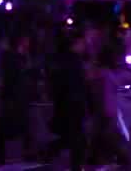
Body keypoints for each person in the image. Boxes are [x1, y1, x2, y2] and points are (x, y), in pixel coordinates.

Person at [42, 28, 87, 170]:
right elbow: (76, 84)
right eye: (81, 43)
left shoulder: (60, 59)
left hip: (64, 103)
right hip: (72, 104)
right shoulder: (73, 61)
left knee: (72, 137)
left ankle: (52, 150)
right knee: (77, 138)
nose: (83, 46)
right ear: (75, 43)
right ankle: (75, 165)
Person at [87, 30, 131, 169]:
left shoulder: (96, 72)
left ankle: (95, 157)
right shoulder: (107, 74)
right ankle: (120, 157)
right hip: (107, 109)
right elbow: (120, 82)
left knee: (101, 134)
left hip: (100, 108)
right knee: (108, 135)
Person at [0, 31, 35, 164]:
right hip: (14, 97)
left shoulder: (19, 57)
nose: (29, 42)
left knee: (21, 125)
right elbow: (11, 78)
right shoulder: (11, 57)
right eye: (26, 39)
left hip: (18, 96)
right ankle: (2, 154)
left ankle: (24, 153)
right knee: (11, 125)